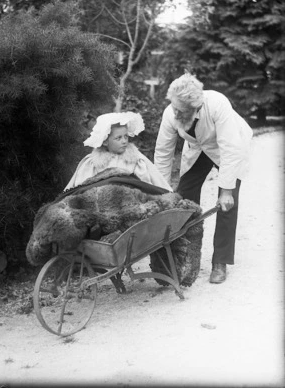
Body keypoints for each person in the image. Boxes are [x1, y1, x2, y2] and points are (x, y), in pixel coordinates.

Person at [154, 72, 253, 284]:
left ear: (196, 107)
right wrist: (161, 191)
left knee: (227, 202)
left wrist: (226, 190)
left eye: (182, 110)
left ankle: (220, 261)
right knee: (184, 197)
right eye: (174, 107)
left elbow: (230, 148)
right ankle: (186, 255)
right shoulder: (170, 113)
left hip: (228, 148)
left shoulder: (217, 104)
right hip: (198, 150)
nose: (176, 113)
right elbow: (163, 153)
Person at [65, 111, 173, 192]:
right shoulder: (93, 163)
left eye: (126, 136)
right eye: (118, 138)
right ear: (105, 141)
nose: (124, 141)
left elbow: (151, 182)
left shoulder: (136, 159)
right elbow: (81, 188)